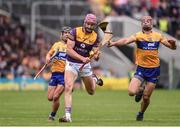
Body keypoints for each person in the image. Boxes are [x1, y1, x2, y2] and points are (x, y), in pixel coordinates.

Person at [108, 16, 176, 121]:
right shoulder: (138, 36)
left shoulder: (158, 36)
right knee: (131, 92)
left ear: (152, 23)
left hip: (154, 70)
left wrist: (173, 43)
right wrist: (114, 43)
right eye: (144, 21)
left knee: (146, 97)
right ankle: (139, 90)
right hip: (141, 69)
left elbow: (172, 47)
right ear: (141, 24)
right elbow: (126, 40)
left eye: (148, 21)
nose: (146, 22)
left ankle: (141, 113)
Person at [59, 13, 103, 122]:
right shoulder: (74, 32)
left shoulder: (95, 37)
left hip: (85, 66)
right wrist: (82, 58)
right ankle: (68, 116)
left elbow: (95, 54)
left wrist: (96, 55)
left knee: (91, 91)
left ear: (94, 25)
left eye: (92, 25)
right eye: (87, 23)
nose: (89, 26)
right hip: (72, 63)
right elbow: (69, 49)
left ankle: (93, 78)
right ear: (84, 22)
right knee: (68, 87)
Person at [46, 26, 71, 121]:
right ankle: (53, 115)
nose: (67, 34)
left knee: (56, 97)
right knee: (50, 98)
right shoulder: (56, 45)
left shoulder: (72, 46)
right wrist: (48, 58)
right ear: (61, 35)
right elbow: (49, 54)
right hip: (55, 74)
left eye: (69, 33)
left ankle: (52, 116)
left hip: (65, 75)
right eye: (65, 33)